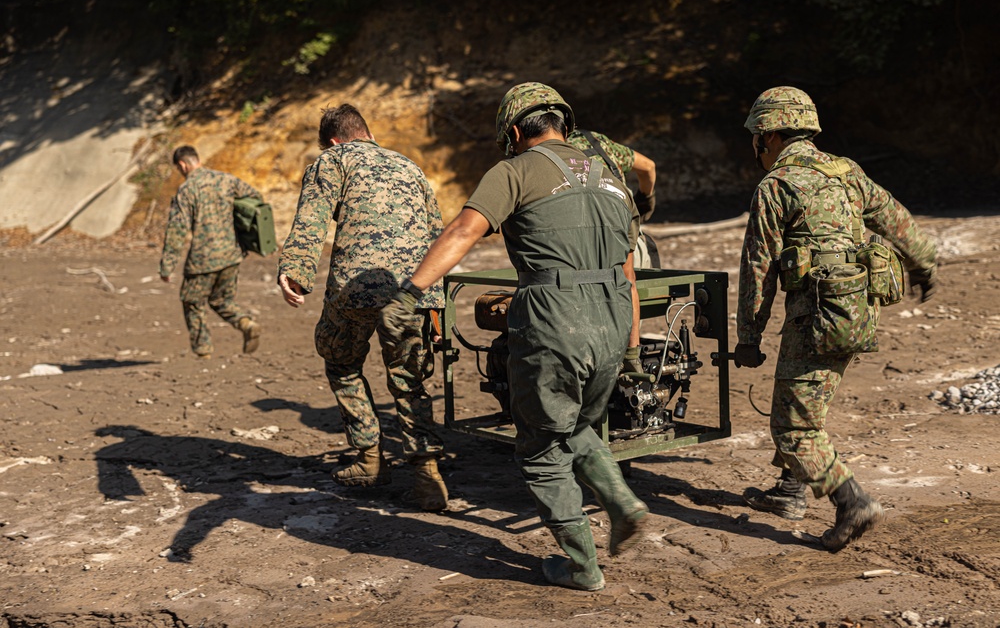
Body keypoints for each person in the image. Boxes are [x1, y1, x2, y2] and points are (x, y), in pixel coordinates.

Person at [380, 82, 649, 591]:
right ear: (564, 124)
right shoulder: (611, 177)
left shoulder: (515, 171)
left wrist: (410, 291)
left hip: (555, 316)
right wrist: (632, 347)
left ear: (512, 131)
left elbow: (463, 230)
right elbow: (629, 270)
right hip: (612, 317)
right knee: (576, 423)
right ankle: (623, 502)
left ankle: (581, 566)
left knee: (541, 449)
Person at [734, 86, 938, 551]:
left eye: (757, 138)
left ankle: (852, 501)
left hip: (814, 316)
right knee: (806, 399)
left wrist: (749, 335)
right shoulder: (847, 171)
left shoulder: (776, 186)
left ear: (768, 136)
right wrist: (923, 261)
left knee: (794, 427)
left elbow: (759, 266)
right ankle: (789, 492)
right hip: (858, 312)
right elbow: (894, 218)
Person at [277, 104, 448, 512]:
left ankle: (370, 458)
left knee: (340, 359)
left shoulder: (333, 159)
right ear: (366, 132)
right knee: (409, 379)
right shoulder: (410, 167)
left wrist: (295, 271)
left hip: (356, 289)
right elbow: (438, 232)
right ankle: (427, 476)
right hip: (416, 291)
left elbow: (311, 218)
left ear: (334, 140)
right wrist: (438, 303)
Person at [160, 145, 262, 359]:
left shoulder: (187, 190)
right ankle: (245, 322)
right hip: (232, 255)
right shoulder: (226, 180)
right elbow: (255, 198)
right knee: (221, 300)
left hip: (203, 260)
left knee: (192, 302)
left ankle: (203, 351)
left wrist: (167, 265)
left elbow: (177, 230)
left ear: (182, 165)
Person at [567, 129, 660, 268]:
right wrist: (645, 202)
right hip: (632, 250)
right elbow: (648, 166)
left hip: (580, 258)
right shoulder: (593, 140)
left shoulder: (539, 152)